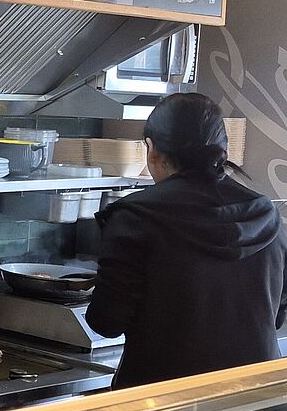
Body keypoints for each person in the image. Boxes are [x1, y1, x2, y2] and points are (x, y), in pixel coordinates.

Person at [87, 92, 287, 388]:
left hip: (164, 402)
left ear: (151, 150)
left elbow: (107, 322)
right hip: (252, 398)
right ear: (223, 150)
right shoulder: (267, 215)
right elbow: (278, 316)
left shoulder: (136, 218)